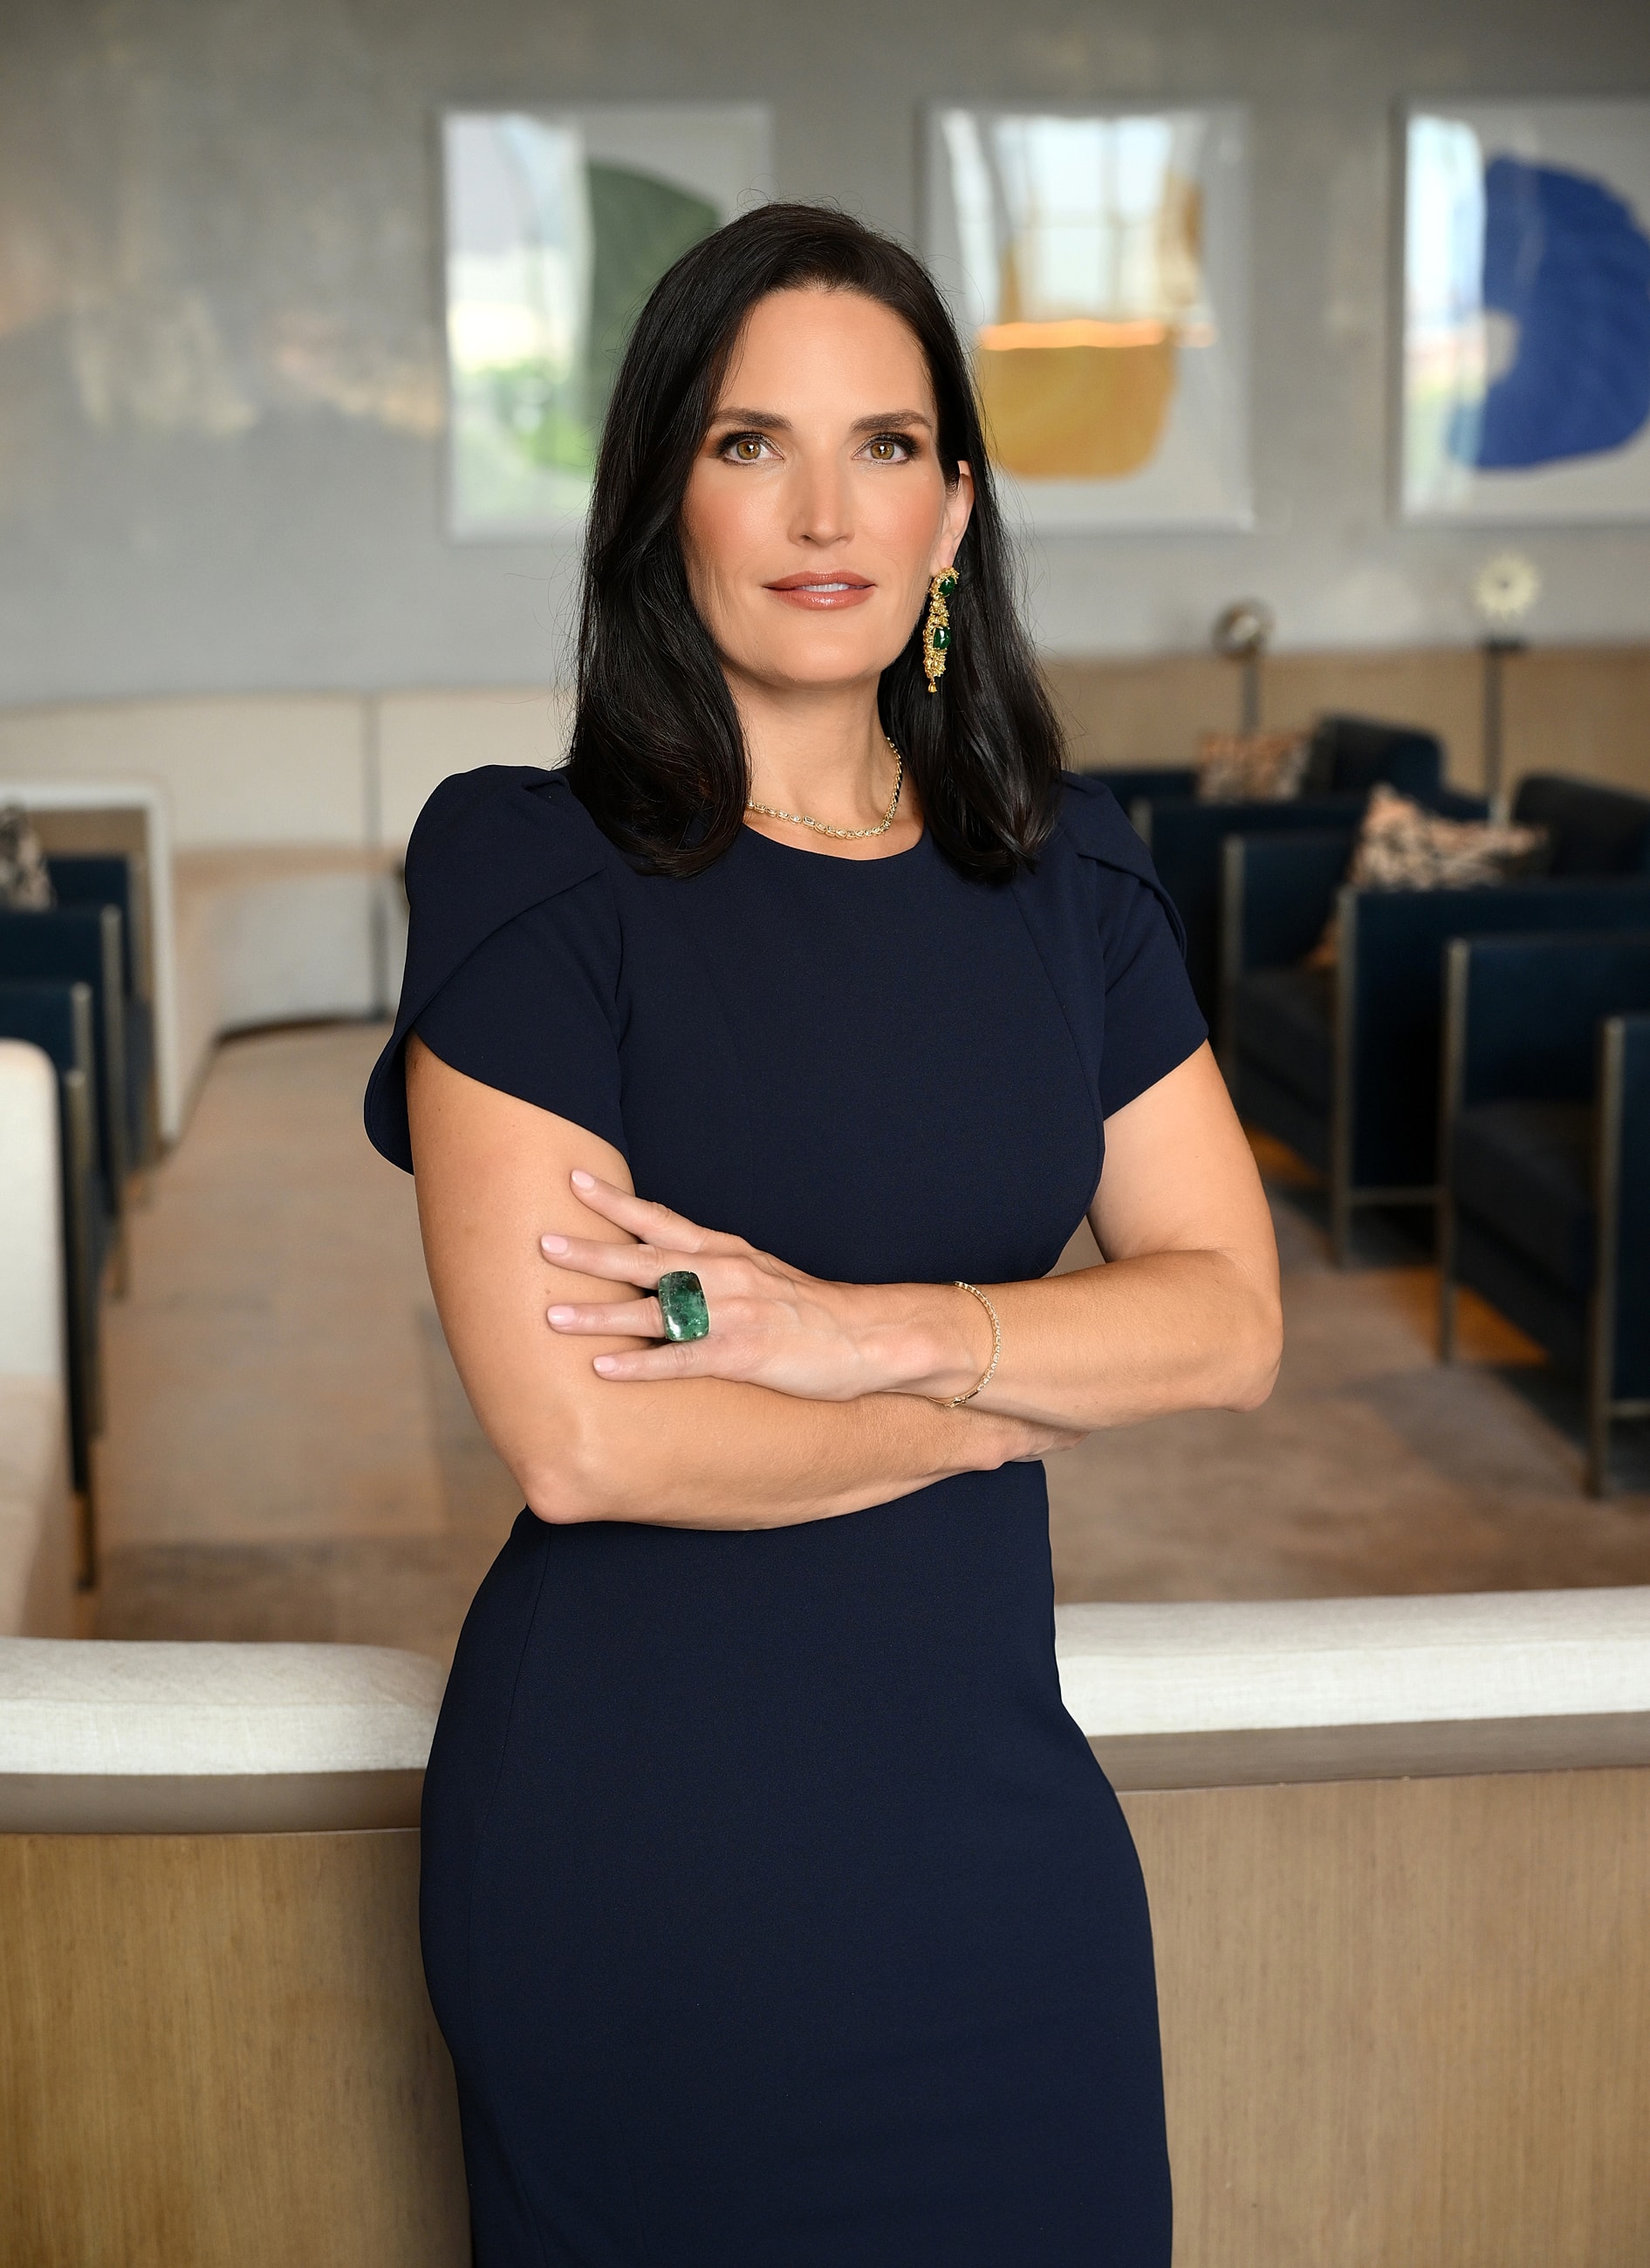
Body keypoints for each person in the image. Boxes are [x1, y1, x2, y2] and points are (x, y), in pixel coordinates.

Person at [366, 202, 1281, 2266]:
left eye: (885, 446)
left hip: (994, 1845)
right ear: (657, 498)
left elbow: (1225, 1323)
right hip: (643, 1860)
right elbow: (588, 1442)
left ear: (957, 510)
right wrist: (1009, 1394)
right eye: (746, 441)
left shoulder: (1067, 882)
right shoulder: (527, 870)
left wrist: (860, 1334)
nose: (822, 508)